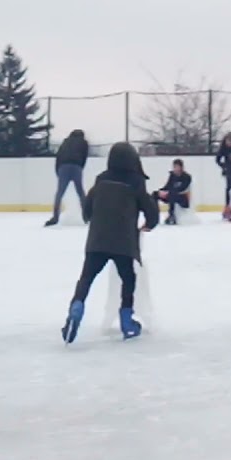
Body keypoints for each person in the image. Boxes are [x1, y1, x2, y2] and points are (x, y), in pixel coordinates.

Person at [62, 141, 159, 344]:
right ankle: (127, 319)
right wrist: (150, 223)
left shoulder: (101, 180)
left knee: (86, 278)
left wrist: (92, 218)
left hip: (97, 239)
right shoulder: (136, 181)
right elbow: (149, 208)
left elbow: (87, 208)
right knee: (128, 278)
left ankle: (76, 307)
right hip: (123, 241)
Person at [45, 129, 89, 227]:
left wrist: (58, 170)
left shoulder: (65, 142)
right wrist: (80, 167)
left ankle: (55, 217)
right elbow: (84, 157)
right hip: (76, 166)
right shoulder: (84, 143)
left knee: (60, 192)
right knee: (80, 192)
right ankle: (86, 216)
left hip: (63, 167)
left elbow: (59, 156)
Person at [155, 158, 192, 225]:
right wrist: (161, 191)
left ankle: (171, 216)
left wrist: (169, 192)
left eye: (177, 167)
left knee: (172, 194)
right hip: (171, 195)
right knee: (155, 194)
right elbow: (167, 186)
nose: (175, 169)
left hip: (183, 198)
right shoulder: (172, 176)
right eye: (174, 167)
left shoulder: (187, 177)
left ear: (181, 167)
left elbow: (183, 188)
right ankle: (154, 216)